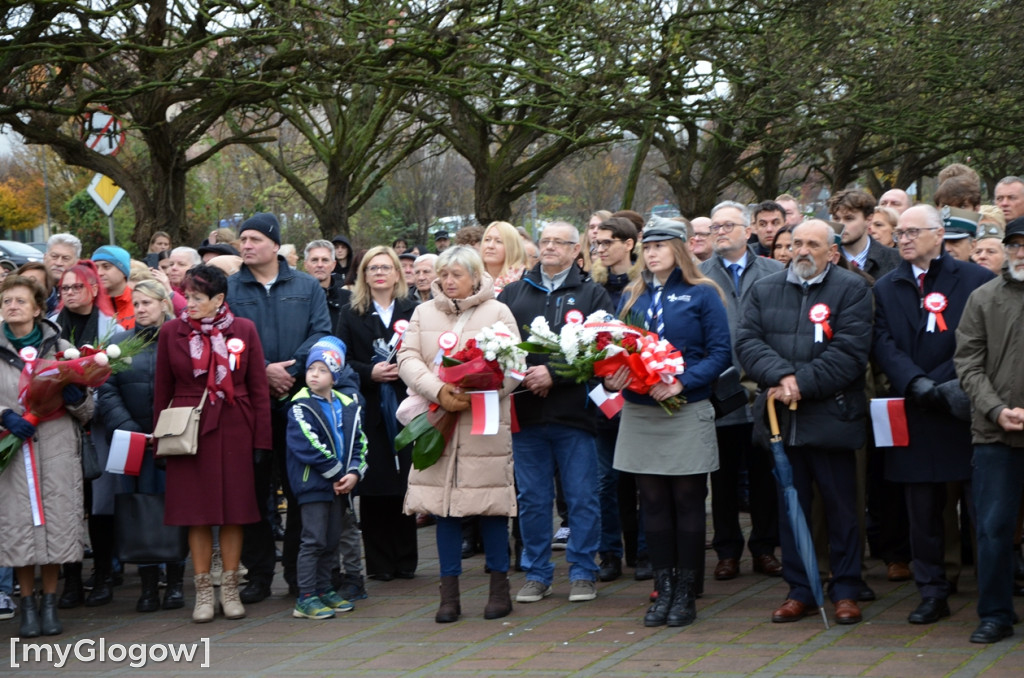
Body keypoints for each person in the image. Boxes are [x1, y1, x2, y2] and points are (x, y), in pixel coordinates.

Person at [735, 219, 874, 625]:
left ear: (832, 252)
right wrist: (782, 376)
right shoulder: (765, 289)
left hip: (832, 416)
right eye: (797, 243)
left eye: (813, 244)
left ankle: (845, 589)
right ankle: (801, 590)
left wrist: (802, 383)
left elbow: (850, 352)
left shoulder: (852, 289)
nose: (802, 250)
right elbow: (747, 341)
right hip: (781, 420)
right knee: (791, 509)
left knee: (841, 509)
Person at [602, 217, 730, 627]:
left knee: (688, 500)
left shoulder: (703, 293)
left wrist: (681, 382)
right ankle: (664, 586)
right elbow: (617, 350)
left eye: (660, 245)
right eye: (648, 246)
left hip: (686, 407)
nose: (652, 253)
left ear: (679, 249)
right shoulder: (632, 296)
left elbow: (720, 353)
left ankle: (687, 590)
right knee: (653, 501)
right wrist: (611, 376)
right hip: (641, 410)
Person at [872, 205, 993, 626]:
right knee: (921, 512)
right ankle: (932, 591)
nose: (903, 240)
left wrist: (942, 385)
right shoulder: (886, 286)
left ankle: (992, 596)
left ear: (939, 234)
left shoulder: (976, 279)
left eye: (912, 232)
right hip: (915, 409)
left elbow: (982, 341)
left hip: (964, 407)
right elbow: (882, 342)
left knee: (981, 511)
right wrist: (915, 382)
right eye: (899, 234)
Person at [399, 246, 520, 622]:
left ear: (475, 276)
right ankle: (448, 595)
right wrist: (439, 391)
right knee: (444, 508)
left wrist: (481, 390)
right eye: (444, 274)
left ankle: (499, 589)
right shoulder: (423, 312)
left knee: (491, 507)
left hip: (484, 425)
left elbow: (516, 364)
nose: (449, 281)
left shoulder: (498, 311)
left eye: (457, 274)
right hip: (439, 419)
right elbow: (407, 358)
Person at [498, 222, 614, 604]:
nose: (548, 247)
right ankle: (536, 573)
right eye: (544, 240)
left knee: (582, 497)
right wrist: (526, 376)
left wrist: (554, 374)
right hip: (527, 415)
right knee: (532, 499)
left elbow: (602, 349)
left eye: (558, 242)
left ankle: (582, 571)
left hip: (574, 416)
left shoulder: (592, 293)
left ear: (575, 249)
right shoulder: (514, 292)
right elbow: (500, 345)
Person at [154, 264, 272, 622]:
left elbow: (259, 388)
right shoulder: (171, 332)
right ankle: (204, 592)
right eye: (186, 296)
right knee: (198, 514)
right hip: (189, 430)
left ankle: (230, 588)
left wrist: (261, 442)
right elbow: (162, 389)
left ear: (219, 298)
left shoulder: (243, 330)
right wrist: (159, 441)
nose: (188, 303)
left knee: (236, 512)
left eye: (197, 297)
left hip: (236, 426)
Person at [226, 212, 333, 604]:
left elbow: (321, 332)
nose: (246, 245)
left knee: (300, 488)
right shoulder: (230, 289)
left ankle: (296, 572)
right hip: (250, 406)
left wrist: (290, 370)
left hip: (298, 402)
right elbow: (224, 339)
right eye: (243, 239)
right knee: (253, 492)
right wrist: (263, 370)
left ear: (275, 245)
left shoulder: (306, 286)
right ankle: (258, 574)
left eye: (254, 239)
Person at [0, 275, 94, 637]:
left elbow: (88, 409)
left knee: (55, 524)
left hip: (55, 446)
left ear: (38, 308)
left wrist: (77, 398)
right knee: (18, 526)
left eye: (20, 301)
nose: (12, 306)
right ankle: (27, 604)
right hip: (12, 446)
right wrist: (4, 416)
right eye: (7, 301)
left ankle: (50, 602)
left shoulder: (61, 348)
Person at [700, 202, 784, 582]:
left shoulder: (773, 271)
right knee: (723, 478)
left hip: (764, 388)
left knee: (765, 475)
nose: (719, 232)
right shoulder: (700, 275)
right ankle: (727, 550)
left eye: (727, 225)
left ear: (747, 231)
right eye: (714, 226)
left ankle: (764, 547)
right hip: (719, 391)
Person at [954, 215, 1024, 643]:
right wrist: (996, 410)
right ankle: (995, 614)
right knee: (993, 528)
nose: (1020, 252)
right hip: (995, 433)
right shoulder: (982, 298)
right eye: (1014, 244)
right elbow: (968, 363)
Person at [97, 280, 186, 612]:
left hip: (173, 441)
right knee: (138, 509)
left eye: (147, 302)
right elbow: (107, 391)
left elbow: (189, 388)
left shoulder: (181, 340)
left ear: (164, 304)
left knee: (175, 508)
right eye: (136, 303)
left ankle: (175, 582)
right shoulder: (119, 344)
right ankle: (148, 585)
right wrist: (131, 429)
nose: (141, 309)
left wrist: (167, 430)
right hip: (132, 441)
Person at [336, 246, 419, 581]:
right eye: (373, 268)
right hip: (369, 407)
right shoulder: (350, 312)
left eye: (386, 267)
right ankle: (380, 563)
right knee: (374, 484)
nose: (380, 273)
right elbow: (341, 360)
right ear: (364, 276)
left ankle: (406, 559)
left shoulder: (414, 310)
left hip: (405, 403)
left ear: (397, 273)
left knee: (404, 482)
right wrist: (369, 372)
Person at [48, 261, 124, 609]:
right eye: (64, 288)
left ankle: (104, 575)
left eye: (77, 287)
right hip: (60, 425)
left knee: (100, 505)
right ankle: (72, 580)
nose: (69, 293)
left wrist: (90, 399)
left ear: (94, 290)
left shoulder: (112, 330)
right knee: (66, 506)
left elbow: (118, 376)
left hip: (100, 427)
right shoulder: (50, 329)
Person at [286, 337, 367, 620]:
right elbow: (307, 444)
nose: (314, 375)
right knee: (313, 540)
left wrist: (354, 472)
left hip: (339, 486)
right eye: (311, 369)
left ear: (335, 376)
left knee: (331, 540)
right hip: (314, 485)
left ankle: (324, 589)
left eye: (322, 370)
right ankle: (306, 596)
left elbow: (359, 443)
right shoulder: (300, 406)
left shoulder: (348, 406)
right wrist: (336, 472)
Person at [589, 217, 648, 581]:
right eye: (596, 243)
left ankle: (645, 551)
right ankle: (609, 553)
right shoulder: (592, 288)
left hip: (640, 393)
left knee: (644, 479)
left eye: (607, 242)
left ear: (629, 244)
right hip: (602, 397)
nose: (600, 249)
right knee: (605, 481)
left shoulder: (644, 286)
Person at [828, 189, 900, 278]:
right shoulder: (823, 258)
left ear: (868, 220)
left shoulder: (896, 259)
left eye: (849, 218)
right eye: (836, 218)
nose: (841, 225)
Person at [304, 239, 350, 331]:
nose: (320, 265)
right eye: (314, 260)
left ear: (333, 265)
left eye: (325, 260)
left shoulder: (349, 299)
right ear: (306, 265)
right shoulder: (295, 300)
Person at [92, 245, 135, 329]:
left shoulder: (140, 302)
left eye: (106, 267)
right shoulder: (88, 305)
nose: (99, 273)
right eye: (95, 268)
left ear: (123, 271)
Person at [481, 221, 528, 294]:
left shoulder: (525, 282)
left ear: (512, 247)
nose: (490, 246)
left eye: (498, 241)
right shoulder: (471, 278)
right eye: (487, 239)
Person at [43, 233, 82, 314]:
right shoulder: (32, 285)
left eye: (65, 258)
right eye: (54, 256)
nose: (58, 263)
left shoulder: (83, 293)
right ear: (45, 257)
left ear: (77, 262)